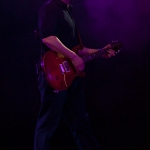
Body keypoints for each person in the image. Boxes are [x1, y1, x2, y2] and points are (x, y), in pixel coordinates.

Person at [34, 0, 116, 150]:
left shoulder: (68, 12)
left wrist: (100, 51)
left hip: (71, 77)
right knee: (48, 124)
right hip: (53, 75)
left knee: (81, 124)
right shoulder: (50, 8)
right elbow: (48, 38)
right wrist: (72, 57)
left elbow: (78, 49)